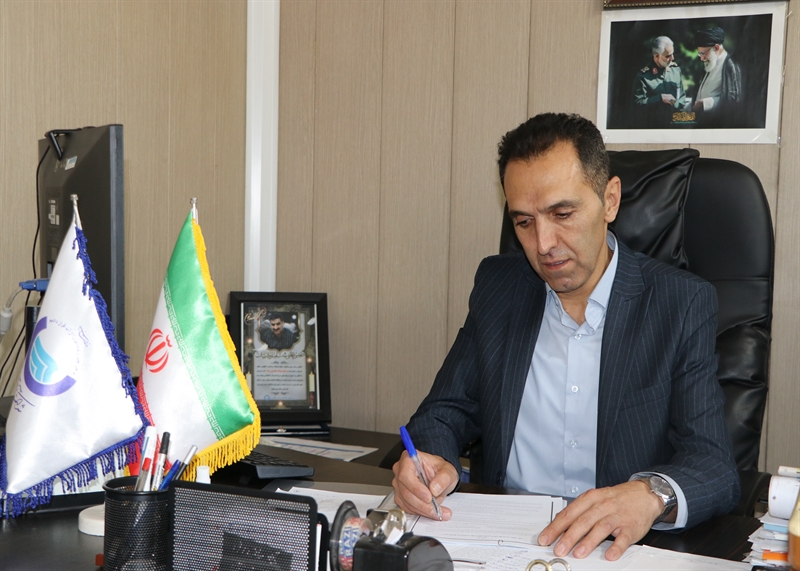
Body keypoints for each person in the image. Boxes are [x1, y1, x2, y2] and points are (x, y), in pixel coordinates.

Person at [392, 113, 739, 561]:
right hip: (503, 544)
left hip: (617, 552)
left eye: (562, 214)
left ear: (610, 200)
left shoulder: (679, 303)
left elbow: (713, 465)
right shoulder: (499, 287)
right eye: (523, 222)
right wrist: (427, 462)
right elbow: (443, 412)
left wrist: (652, 494)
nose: (543, 244)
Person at [692, 27, 742, 121]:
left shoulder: (730, 64)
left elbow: (734, 99)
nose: (701, 58)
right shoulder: (711, 62)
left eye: (703, 53)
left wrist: (706, 104)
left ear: (716, 48)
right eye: (700, 54)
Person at [633, 36, 686, 112]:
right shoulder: (643, 76)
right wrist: (660, 98)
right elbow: (638, 104)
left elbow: (682, 100)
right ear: (657, 56)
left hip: (674, 118)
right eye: (668, 56)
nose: (672, 58)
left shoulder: (675, 70)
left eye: (672, 54)